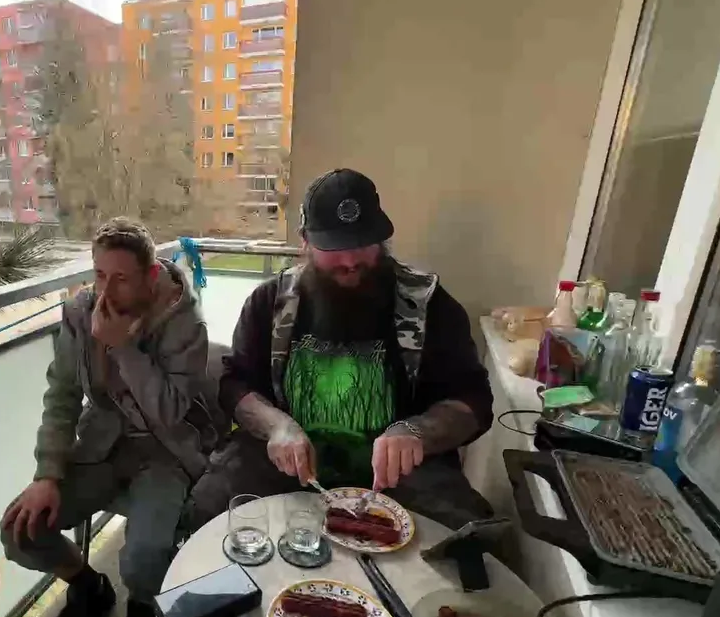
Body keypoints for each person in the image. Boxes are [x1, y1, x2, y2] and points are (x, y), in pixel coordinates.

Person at [189, 168, 495, 531]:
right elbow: (234, 384)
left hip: (399, 471)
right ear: (305, 241)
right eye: (333, 248)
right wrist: (276, 426)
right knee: (206, 509)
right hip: (290, 460)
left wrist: (417, 432)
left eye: (363, 243)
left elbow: (473, 401)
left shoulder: (431, 306)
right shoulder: (268, 303)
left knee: (468, 532)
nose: (350, 261)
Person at [0, 218, 217, 617]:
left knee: (143, 559)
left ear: (151, 275)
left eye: (121, 278)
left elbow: (170, 412)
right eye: (99, 274)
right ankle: (88, 587)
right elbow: (62, 394)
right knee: (21, 530)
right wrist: (47, 474)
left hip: (165, 452)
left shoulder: (185, 322)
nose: (106, 290)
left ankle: (141, 610)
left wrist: (123, 349)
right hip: (101, 446)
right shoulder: (81, 313)